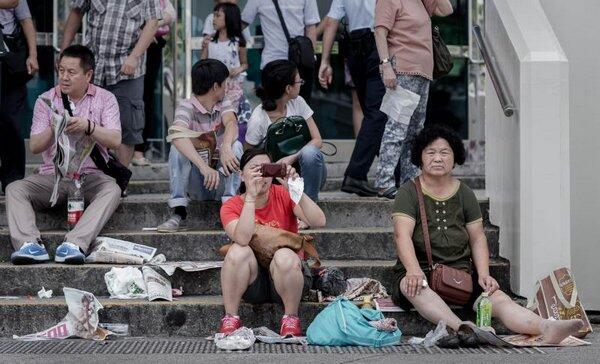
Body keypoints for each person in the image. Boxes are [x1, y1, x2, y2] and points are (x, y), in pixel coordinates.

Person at [390, 125, 585, 344]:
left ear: (454, 158)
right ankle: (463, 328)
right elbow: (402, 235)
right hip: (421, 271)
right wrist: (414, 270)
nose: (437, 158)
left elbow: (477, 237)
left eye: (444, 152)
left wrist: (484, 274)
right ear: (420, 157)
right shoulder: (408, 192)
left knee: (497, 298)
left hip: (458, 275)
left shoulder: (464, 192)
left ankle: (546, 327)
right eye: (431, 152)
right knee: (415, 287)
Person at [5, 45, 122, 265]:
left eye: (72, 72)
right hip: (52, 177)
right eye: (61, 71)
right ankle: (29, 245)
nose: (64, 77)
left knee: (112, 189)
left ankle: (75, 243)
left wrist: (88, 126)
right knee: (14, 188)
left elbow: (115, 139)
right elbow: (35, 147)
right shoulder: (45, 99)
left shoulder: (105, 99)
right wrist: (54, 126)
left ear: (88, 75)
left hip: (90, 177)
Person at [219, 148, 326, 335]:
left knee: (284, 254)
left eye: (266, 169)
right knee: (237, 251)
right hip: (253, 282)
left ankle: (291, 318)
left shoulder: (283, 194)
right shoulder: (231, 206)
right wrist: (251, 198)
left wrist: (295, 190)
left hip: (288, 275)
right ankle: (230, 317)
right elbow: (243, 238)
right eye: (255, 169)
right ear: (242, 175)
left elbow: (319, 221)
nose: (262, 175)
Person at [61, 0, 162, 168]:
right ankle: (86, 176)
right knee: (85, 121)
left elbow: (153, 23)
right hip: (92, 67)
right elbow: (76, 12)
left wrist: (134, 57)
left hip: (127, 68)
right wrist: (64, 51)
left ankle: (119, 183)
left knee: (128, 126)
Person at [374, 0, 453, 199]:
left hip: (423, 73)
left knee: (415, 132)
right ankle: (384, 182)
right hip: (402, 71)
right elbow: (380, 32)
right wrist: (385, 65)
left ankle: (409, 183)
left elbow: (446, 10)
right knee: (397, 128)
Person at [157, 59, 243, 233]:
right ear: (215, 86)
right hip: (198, 181)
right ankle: (179, 212)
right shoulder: (187, 106)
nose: (227, 87)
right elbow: (176, 134)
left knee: (236, 146)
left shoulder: (223, 103)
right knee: (177, 148)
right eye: (225, 83)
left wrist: (225, 146)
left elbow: (231, 123)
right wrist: (204, 167)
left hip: (221, 179)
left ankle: (230, 208)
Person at [319, 0, 386, 197]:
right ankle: (355, 174)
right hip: (378, 45)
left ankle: (395, 171)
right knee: (378, 113)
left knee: (373, 113)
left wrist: (325, 61)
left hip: (354, 48)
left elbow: (331, 21)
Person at [245, 60, 326, 206]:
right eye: (299, 81)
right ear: (288, 88)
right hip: (277, 178)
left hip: (307, 174)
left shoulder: (298, 102)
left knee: (311, 153)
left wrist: (291, 158)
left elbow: (317, 140)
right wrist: (275, 168)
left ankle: (308, 208)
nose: (301, 83)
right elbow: (248, 160)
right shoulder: (258, 119)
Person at [241, 0, 319, 104]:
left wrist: (217, 37)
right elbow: (311, 28)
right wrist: (309, 59)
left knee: (274, 112)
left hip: (274, 65)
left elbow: (241, 24)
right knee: (299, 112)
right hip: (295, 64)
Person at [0, 0, 38, 193]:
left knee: (10, 118)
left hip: (10, 58)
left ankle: (12, 180)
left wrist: (33, 54)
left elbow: (25, 18)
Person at [132, 0, 176, 167]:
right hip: (127, 48)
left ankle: (139, 151)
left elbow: (170, 14)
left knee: (145, 99)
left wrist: (148, 30)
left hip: (151, 50)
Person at [201, 2, 251, 135]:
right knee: (214, 120)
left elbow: (245, 63)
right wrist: (204, 47)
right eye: (214, 15)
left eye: (218, 16)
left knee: (230, 120)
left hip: (232, 89)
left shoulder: (238, 42)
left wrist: (238, 69)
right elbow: (202, 63)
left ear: (229, 18)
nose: (214, 19)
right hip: (213, 89)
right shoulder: (210, 42)